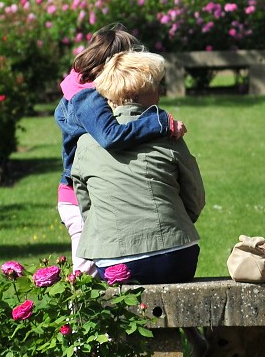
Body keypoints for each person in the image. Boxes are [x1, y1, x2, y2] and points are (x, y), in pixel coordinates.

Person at [55, 25, 184, 274]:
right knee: (86, 279)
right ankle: (76, 315)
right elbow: (110, 136)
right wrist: (160, 123)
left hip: (87, 190)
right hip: (80, 196)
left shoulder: (79, 88)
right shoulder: (87, 97)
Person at [72, 51, 205, 283]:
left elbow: (86, 205)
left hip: (114, 261)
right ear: (138, 91)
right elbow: (195, 196)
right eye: (157, 86)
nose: (161, 93)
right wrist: (175, 224)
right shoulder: (168, 134)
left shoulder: (84, 143)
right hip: (175, 256)